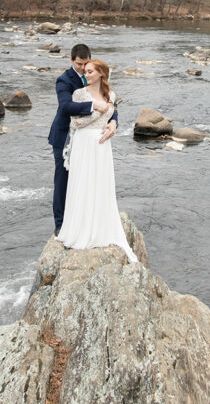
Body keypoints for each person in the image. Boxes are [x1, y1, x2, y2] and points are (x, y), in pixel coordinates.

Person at [56, 59, 137, 262]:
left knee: (100, 185)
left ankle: (101, 225)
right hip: (83, 143)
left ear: (101, 73)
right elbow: (75, 122)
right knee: (82, 184)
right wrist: (96, 109)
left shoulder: (111, 95)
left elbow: (113, 113)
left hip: (102, 145)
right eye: (85, 71)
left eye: (91, 71)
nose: (86, 74)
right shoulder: (79, 94)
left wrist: (113, 124)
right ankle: (79, 227)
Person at [48, 44, 117, 234]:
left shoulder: (94, 73)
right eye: (79, 64)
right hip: (64, 136)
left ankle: (86, 220)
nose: (83, 69)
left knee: (88, 178)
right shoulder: (64, 80)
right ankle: (61, 225)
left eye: (86, 64)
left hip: (90, 139)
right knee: (63, 179)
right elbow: (65, 107)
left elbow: (110, 103)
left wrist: (114, 123)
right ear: (71, 61)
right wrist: (92, 104)